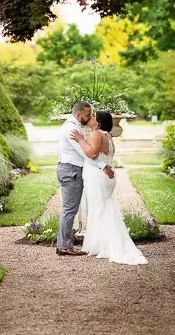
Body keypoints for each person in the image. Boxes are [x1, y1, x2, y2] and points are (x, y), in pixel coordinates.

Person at [70, 110, 148, 265]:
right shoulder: (108, 135)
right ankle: (102, 243)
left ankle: (104, 246)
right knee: (103, 207)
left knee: (98, 208)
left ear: (98, 122)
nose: (91, 117)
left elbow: (92, 154)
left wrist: (80, 140)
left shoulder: (96, 134)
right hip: (105, 176)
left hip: (97, 176)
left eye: (93, 116)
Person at [56, 101, 114, 256]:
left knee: (70, 209)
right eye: (88, 115)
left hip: (71, 169)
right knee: (69, 209)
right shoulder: (72, 129)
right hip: (71, 170)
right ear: (78, 114)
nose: (90, 117)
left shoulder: (74, 127)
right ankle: (63, 246)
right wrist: (103, 166)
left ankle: (63, 244)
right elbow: (86, 154)